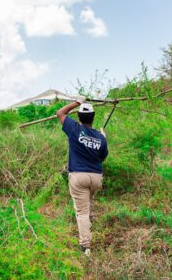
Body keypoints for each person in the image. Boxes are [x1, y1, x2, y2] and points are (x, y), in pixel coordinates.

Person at [56, 97, 108, 257]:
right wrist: (104, 138)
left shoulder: (74, 128)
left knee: (82, 212)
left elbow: (60, 113)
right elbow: (102, 157)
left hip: (79, 177)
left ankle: (85, 246)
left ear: (79, 117)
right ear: (93, 117)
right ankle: (88, 225)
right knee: (88, 203)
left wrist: (77, 102)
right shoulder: (100, 137)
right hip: (96, 178)